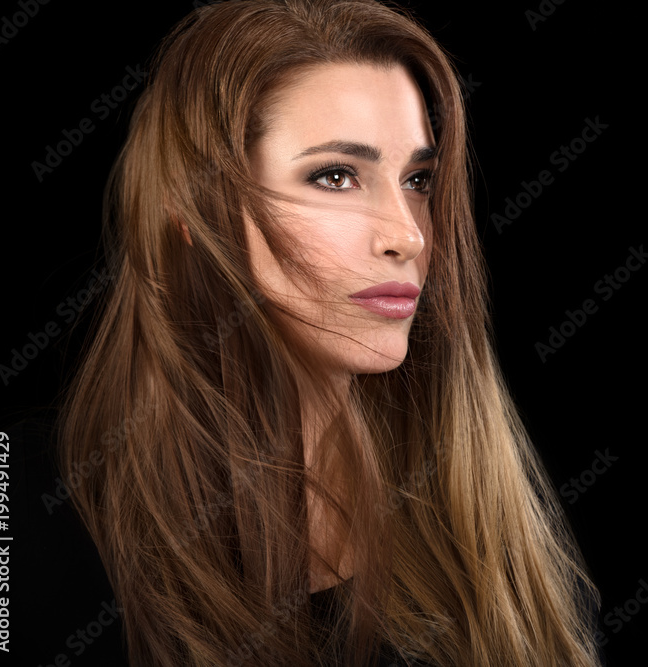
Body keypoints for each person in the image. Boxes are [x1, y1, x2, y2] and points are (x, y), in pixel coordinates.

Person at [55, 0, 604, 664]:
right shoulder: (27, 508)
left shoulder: (488, 521)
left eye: (418, 180)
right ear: (191, 208)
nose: (407, 234)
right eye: (337, 176)